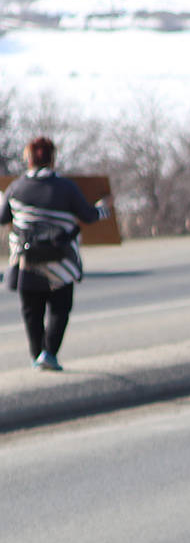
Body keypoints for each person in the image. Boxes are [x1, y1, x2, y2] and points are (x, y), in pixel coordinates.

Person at [3, 136, 107, 372]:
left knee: (32, 312)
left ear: (28, 159)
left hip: (26, 262)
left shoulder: (16, 187)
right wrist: (105, 207)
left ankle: (36, 356)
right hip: (60, 262)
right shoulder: (66, 187)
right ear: (52, 159)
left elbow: (2, 217)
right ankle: (49, 353)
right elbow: (90, 216)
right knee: (60, 309)